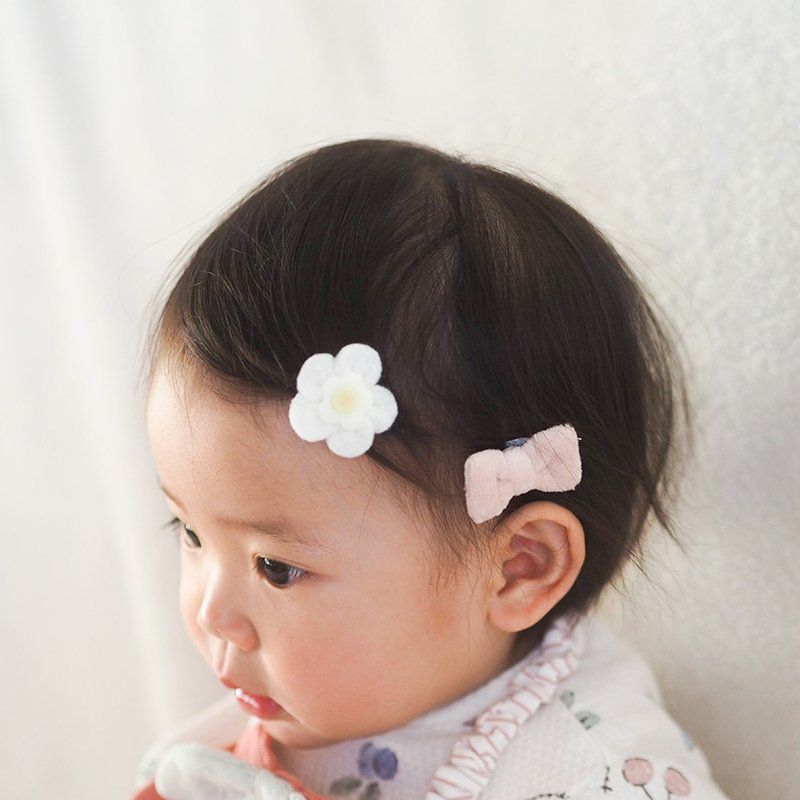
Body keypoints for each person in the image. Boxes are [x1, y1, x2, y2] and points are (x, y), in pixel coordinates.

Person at [132, 138, 732, 799]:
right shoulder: (266, 718)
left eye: (277, 568)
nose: (212, 614)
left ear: (519, 566)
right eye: (190, 532)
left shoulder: (603, 776)